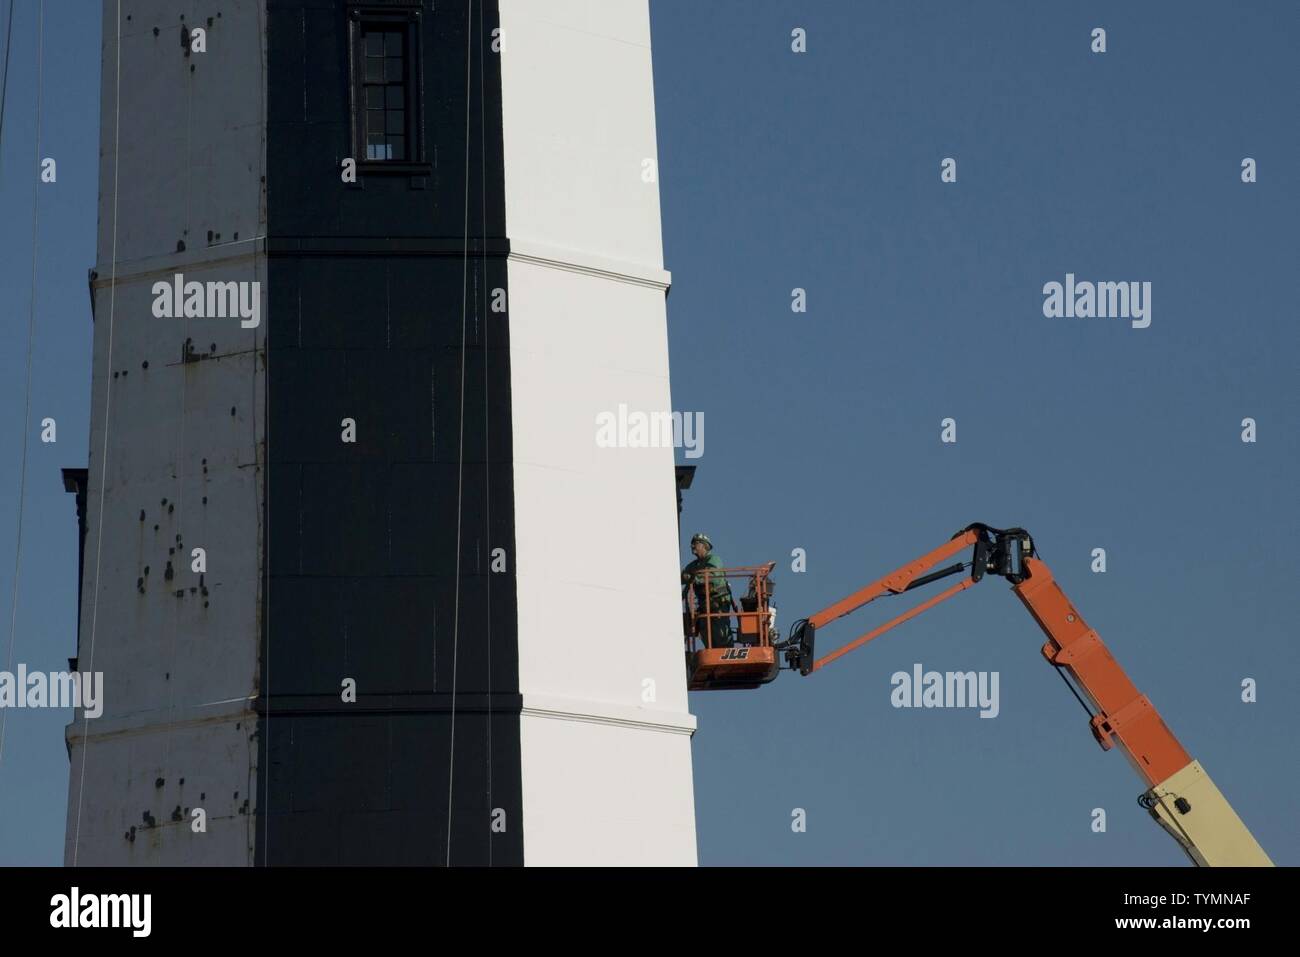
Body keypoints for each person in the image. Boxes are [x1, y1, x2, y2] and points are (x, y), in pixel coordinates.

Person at [681, 532, 734, 649]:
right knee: (705, 630)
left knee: (720, 632)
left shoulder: (714, 559)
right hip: (705, 604)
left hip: (718, 602)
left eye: (695, 544)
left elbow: (712, 574)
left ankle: (726, 651)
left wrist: (694, 578)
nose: (692, 546)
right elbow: (683, 576)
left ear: (704, 545)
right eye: (692, 544)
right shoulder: (695, 565)